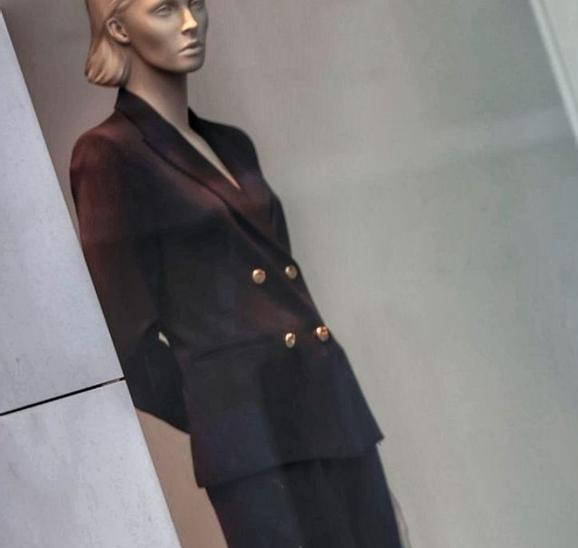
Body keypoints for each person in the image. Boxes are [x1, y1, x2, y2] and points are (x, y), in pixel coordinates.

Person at [71, 0, 401, 546]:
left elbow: (290, 293)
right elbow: (125, 343)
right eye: (164, 9)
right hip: (257, 438)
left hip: (331, 409)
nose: (189, 22)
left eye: (196, 4)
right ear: (117, 28)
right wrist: (222, 408)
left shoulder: (231, 144)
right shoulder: (109, 155)